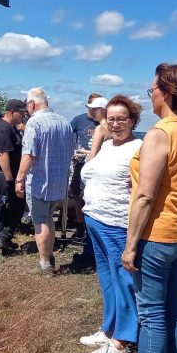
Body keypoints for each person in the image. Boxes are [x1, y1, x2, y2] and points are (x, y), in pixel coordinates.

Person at [121, 63, 177, 353]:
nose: (150, 97)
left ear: (166, 93)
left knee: (152, 315)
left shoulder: (160, 134)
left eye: (152, 90)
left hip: (157, 236)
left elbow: (145, 195)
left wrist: (131, 245)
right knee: (176, 311)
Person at [78, 95, 143, 353]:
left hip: (117, 224)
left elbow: (141, 188)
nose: (116, 125)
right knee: (107, 280)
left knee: (123, 281)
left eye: (122, 119)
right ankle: (109, 328)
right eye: (112, 119)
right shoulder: (106, 145)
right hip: (95, 219)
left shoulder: (138, 148)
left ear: (133, 121)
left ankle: (123, 340)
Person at [14, 87, 76, 273]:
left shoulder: (34, 123)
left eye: (27, 106)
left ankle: (45, 263)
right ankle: (48, 256)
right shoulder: (64, 122)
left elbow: (29, 154)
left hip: (40, 181)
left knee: (40, 221)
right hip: (59, 181)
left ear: (32, 104)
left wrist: (19, 179)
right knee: (49, 218)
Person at [0, 99, 27, 252]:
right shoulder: (3, 128)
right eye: (21, 112)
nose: (23, 115)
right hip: (1, 173)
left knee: (14, 206)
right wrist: (9, 178)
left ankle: (2, 238)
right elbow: (2, 154)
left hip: (8, 173)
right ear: (12, 112)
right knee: (5, 205)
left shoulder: (11, 127)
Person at [69, 93, 106, 263]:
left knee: (90, 199)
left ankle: (89, 240)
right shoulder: (79, 120)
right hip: (83, 165)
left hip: (93, 168)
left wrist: (85, 154)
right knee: (77, 192)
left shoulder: (103, 127)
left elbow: (95, 153)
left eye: (93, 109)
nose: (91, 112)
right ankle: (81, 224)